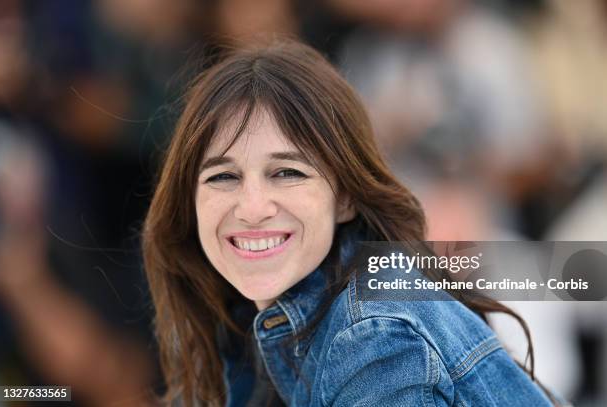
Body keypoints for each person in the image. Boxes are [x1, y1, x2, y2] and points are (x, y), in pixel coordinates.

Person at [142, 39, 560, 406]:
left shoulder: (373, 339)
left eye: (287, 172)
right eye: (223, 177)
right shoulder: (238, 321)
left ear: (344, 197)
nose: (252, 208)